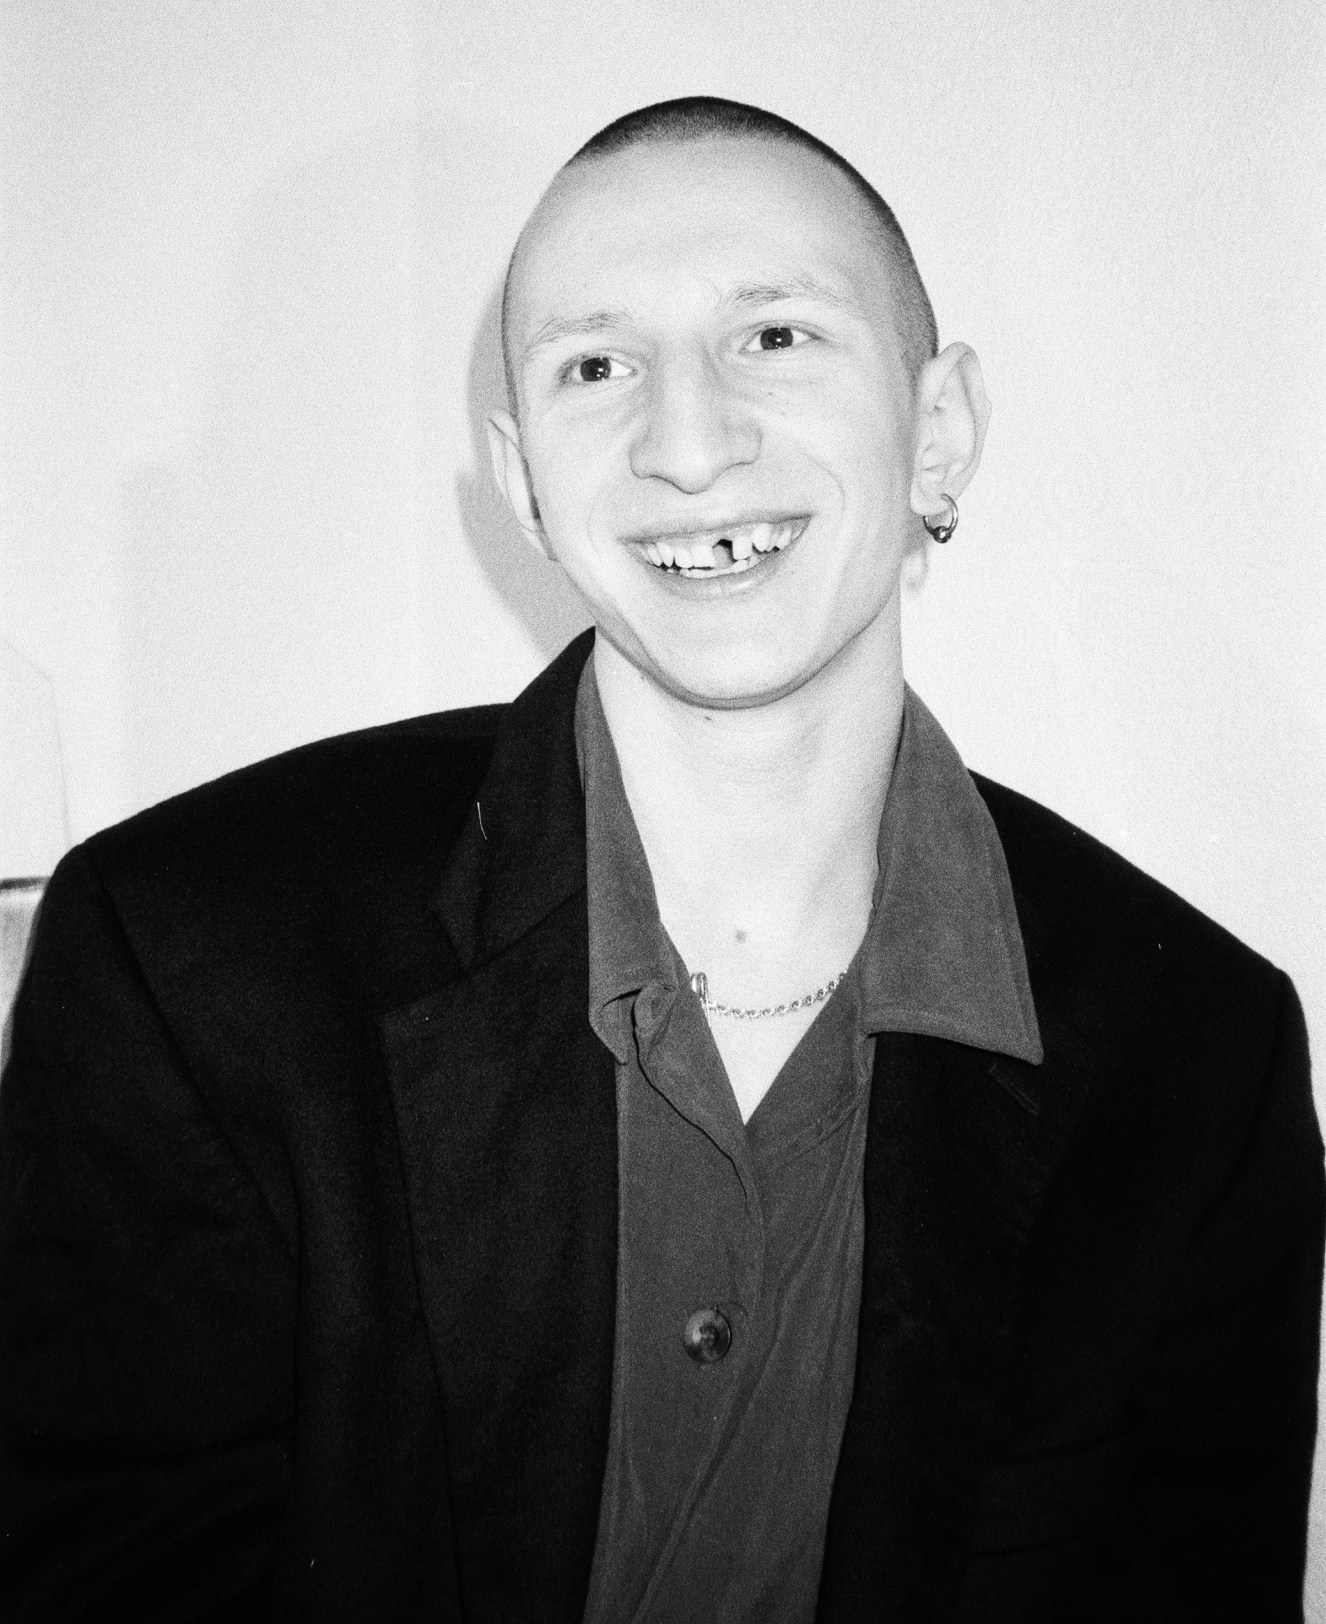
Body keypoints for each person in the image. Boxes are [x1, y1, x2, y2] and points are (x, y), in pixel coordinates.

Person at [0, 97, 1320, 1623]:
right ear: (522, 481)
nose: (687, 444)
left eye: (775, 337)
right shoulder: (183, 958)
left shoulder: (1196, 1055)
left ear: (937, 430)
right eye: (595, 366)